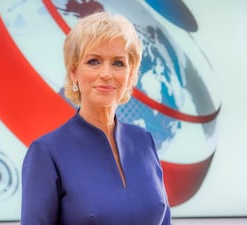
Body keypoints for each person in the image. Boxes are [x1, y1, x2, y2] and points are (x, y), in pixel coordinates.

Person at [21, 11, 171, 225]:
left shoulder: (144, 141)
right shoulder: (46, 153)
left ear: (131, 75)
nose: (106, 73)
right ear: (74, 72)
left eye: (118, 63)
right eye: (94, 61)